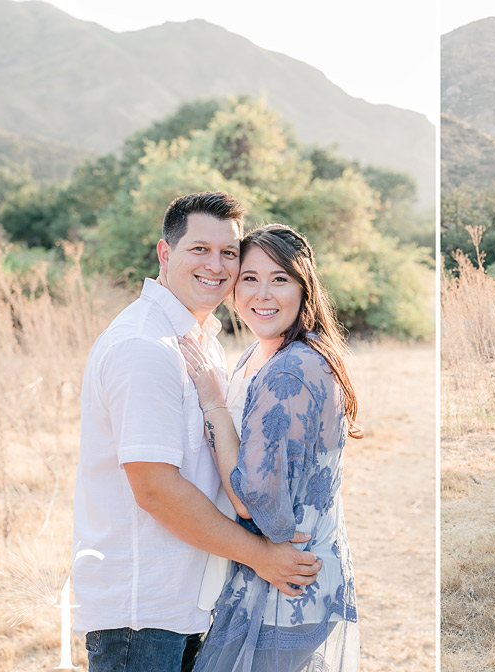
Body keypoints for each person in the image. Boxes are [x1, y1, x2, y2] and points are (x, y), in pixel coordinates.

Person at [72, 193, 322, 672]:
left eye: (229, 253)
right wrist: (261, 556)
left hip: (189, 599)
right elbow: (156, 490)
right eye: (199, 250)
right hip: (142, 611)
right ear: (165, 254)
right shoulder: (145, 346)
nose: (217, 265)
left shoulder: (199, 340)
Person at [179, 223, 361, 671]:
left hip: (285, 588)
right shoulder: (266, 351)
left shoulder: (290, 370)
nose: (263, 293)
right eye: (250, 278)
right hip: (288, 576)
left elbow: (250, 498)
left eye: (279, 279)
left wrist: (213, 404)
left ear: (304, 287)